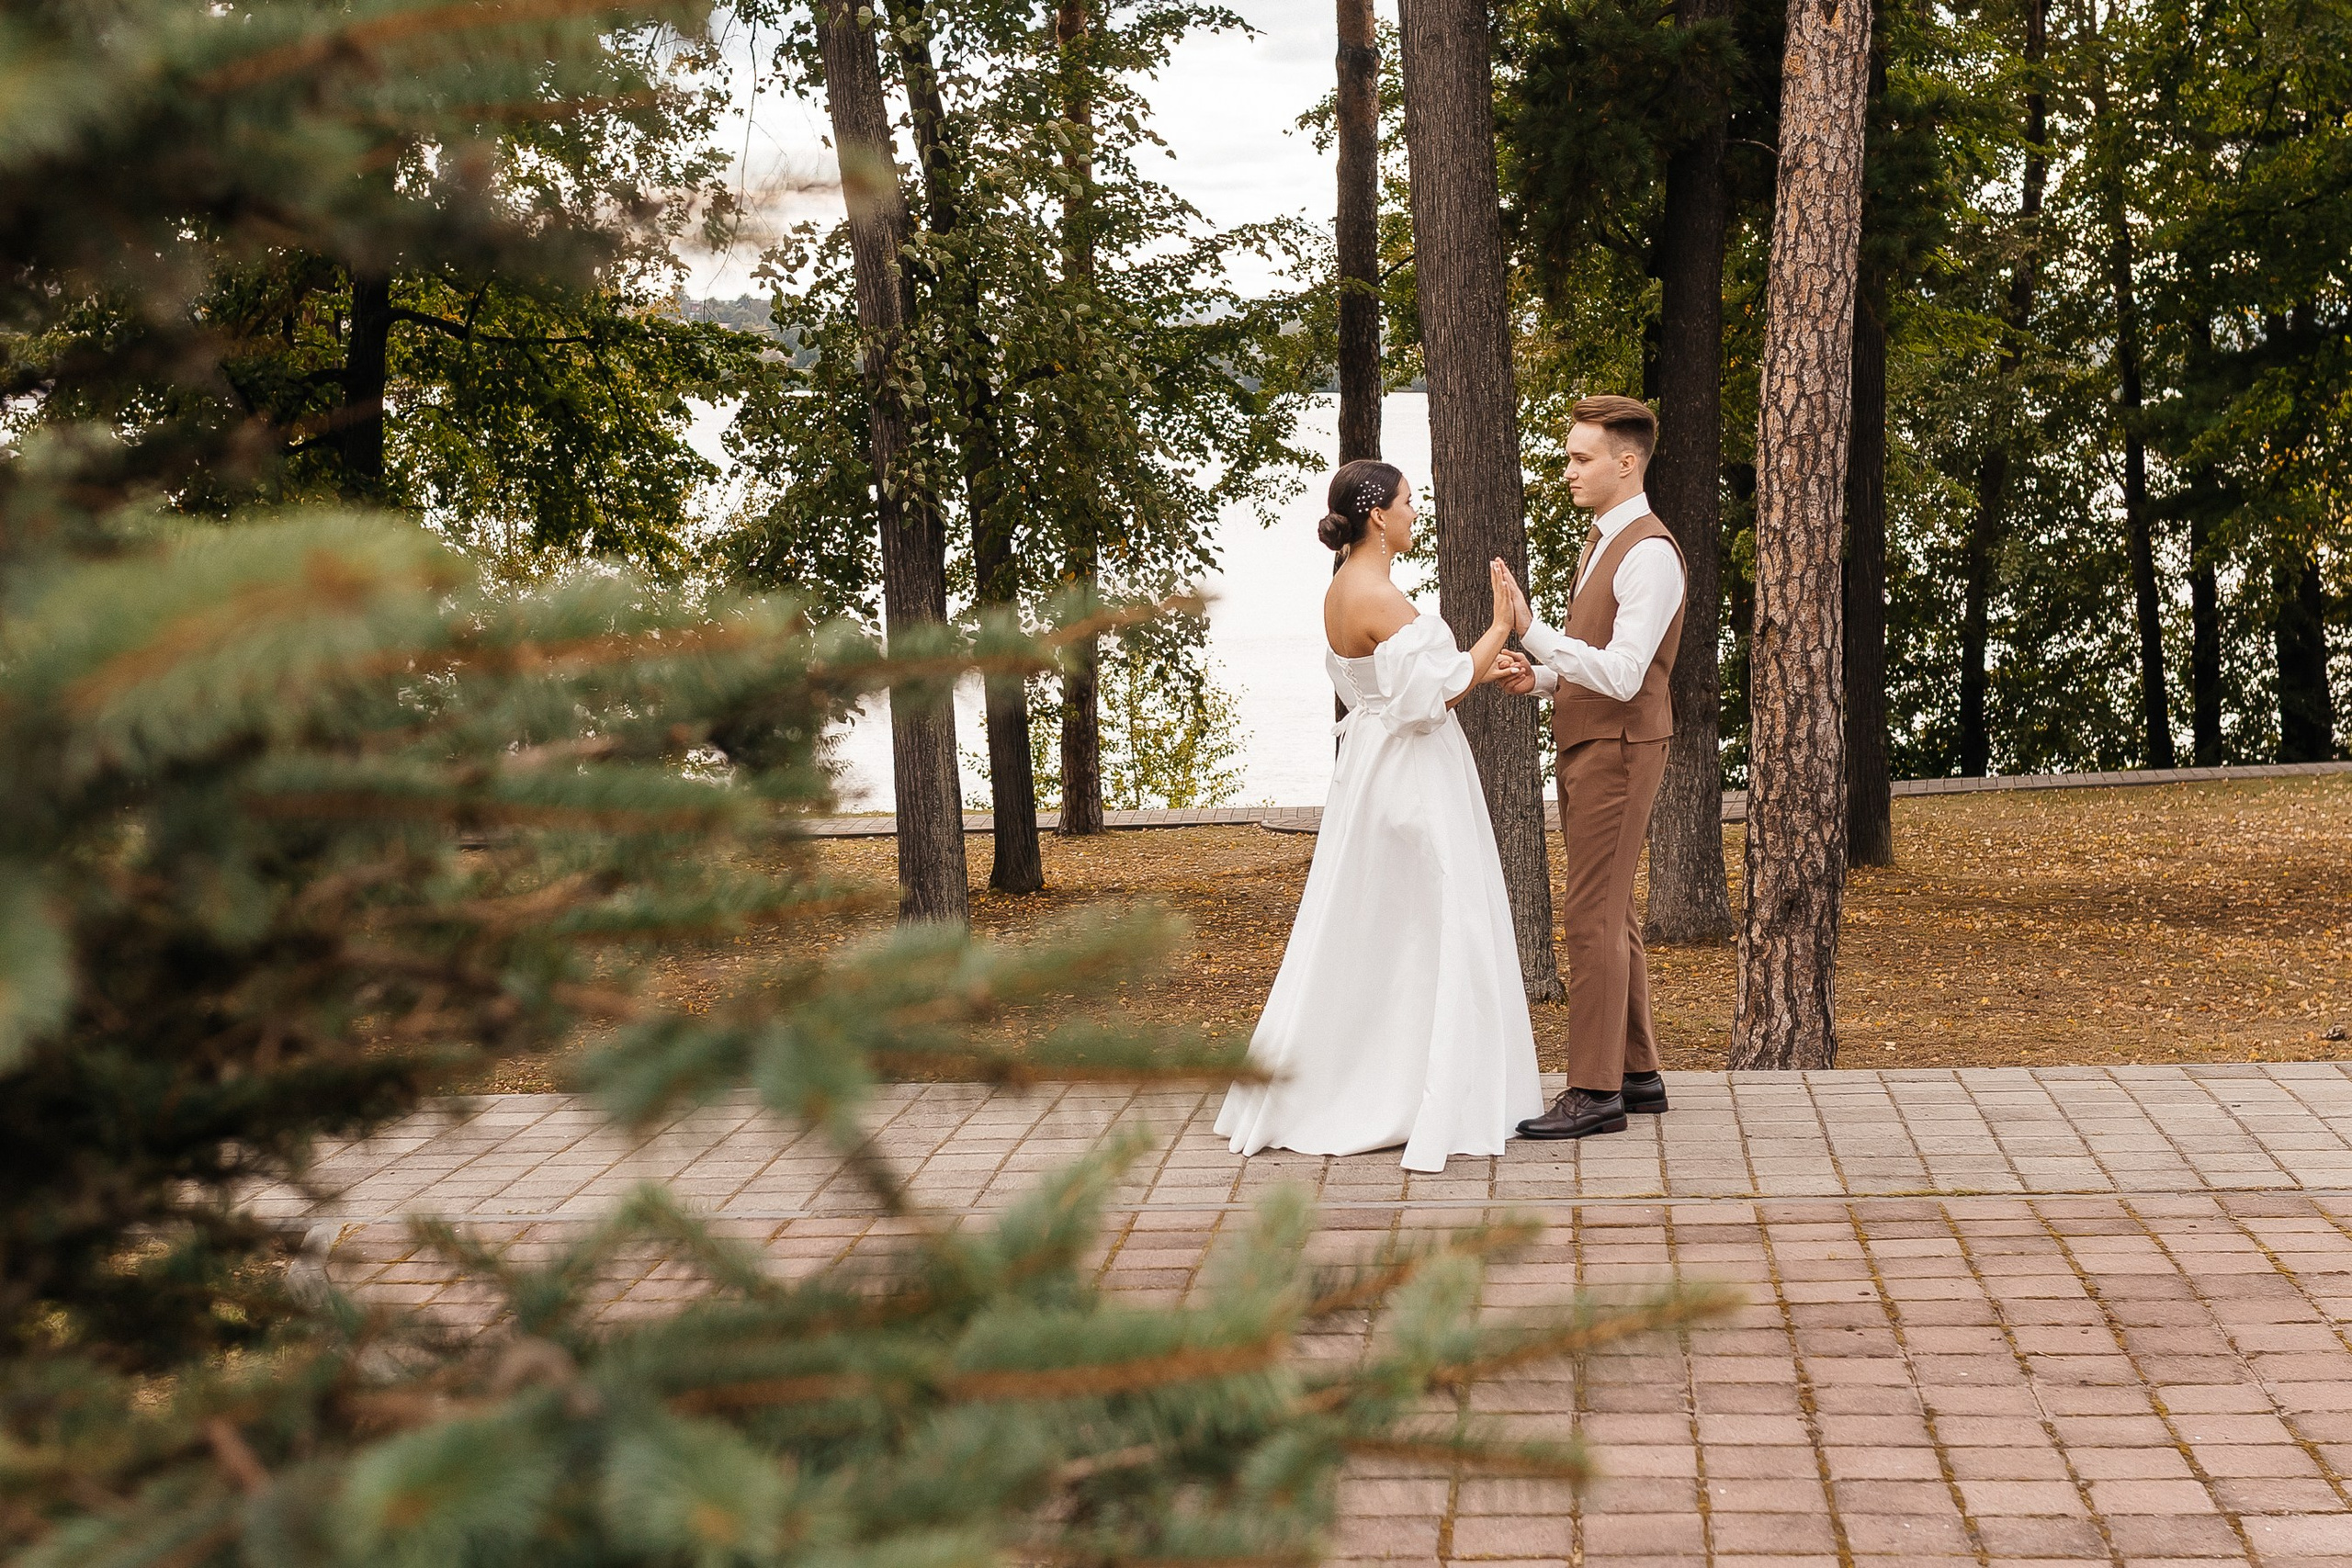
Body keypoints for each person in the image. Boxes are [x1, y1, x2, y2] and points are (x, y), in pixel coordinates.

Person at [1215, 460, 1545, 1171]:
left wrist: (1482, 666)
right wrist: (1498, 627)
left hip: (1372, 762)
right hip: (1413, 773)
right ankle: (1425, 1089)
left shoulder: (1341, 588)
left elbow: (1405, 686)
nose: (1414, 513)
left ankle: (1382, 1072)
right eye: (1407, 502)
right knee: (1440, 920)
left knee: (1380, 925)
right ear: (1377, 516)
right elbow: (1435, 693)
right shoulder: (1380, 595)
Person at [1491, 395, 1689, 1139]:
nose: (1569, 470)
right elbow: (1599, 660)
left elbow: (1628, 674)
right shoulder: (1604, 539)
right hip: (1591, 742)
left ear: (1626, 462)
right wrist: (1541, 677)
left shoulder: (1648, 553)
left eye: (1582, 458)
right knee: (1613, 910)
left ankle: (1594, 1091)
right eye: (1569, 456)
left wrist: (1533, 631)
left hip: (1620, 748)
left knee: (1590, 913)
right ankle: (1637, 1074)